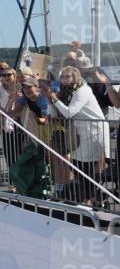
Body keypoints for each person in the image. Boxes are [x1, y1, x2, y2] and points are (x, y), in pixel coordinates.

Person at [46, 66, 109, 206]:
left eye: (68, 76)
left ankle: (93, 199)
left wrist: (53, 98)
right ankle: (88, 198)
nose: (64, 79)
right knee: (78, 166)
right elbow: (57, 114)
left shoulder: (82, 91)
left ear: (76, 77)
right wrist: (51, 101)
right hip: (79, 132)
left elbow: (69, 112)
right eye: (62, 76)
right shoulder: (66, 92)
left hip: (92, 132)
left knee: (88, 168)